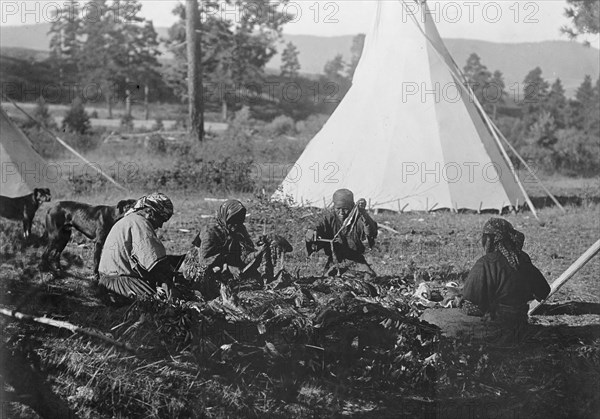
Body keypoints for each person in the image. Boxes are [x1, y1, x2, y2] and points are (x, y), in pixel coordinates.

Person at [461, 217, 550, 325]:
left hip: (495, 321)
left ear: (489, 240)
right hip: (520, 319)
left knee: (465, 306)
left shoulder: (485, 263)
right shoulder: (522, 258)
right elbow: (544, 291)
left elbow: (471, 297)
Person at [181, 199, 272, 301]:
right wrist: (228, 266)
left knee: (253, 283)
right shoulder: (211, 231)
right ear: (225, 217)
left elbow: (246, 253)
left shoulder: (239, 229)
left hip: (223, 262)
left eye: (239, 220)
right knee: (215, 290)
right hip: (199, 266)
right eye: (232, 220)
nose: (235, 225)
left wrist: (259, 252)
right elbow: (205, 260)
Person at [98, 192, 179, 300]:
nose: (160, 225)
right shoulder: (139, 223)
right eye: (161, 219)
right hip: (121, 283)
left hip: (107, 283)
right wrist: (171, 280)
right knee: (171, 302)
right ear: (150, 212)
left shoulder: (130, 220)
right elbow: (155, 262)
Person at [305, 189, 378, 276]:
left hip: (356, 260)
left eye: (346, 209)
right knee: (327, 281)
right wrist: (312, 232)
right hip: (335, 260)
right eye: (338, 208)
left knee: (370, 277)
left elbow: (371, 231)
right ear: (334, 206)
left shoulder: (359, 219)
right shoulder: (328, 218)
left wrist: (363, 213)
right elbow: (317, 226)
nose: (342, 212)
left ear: (352, 206)